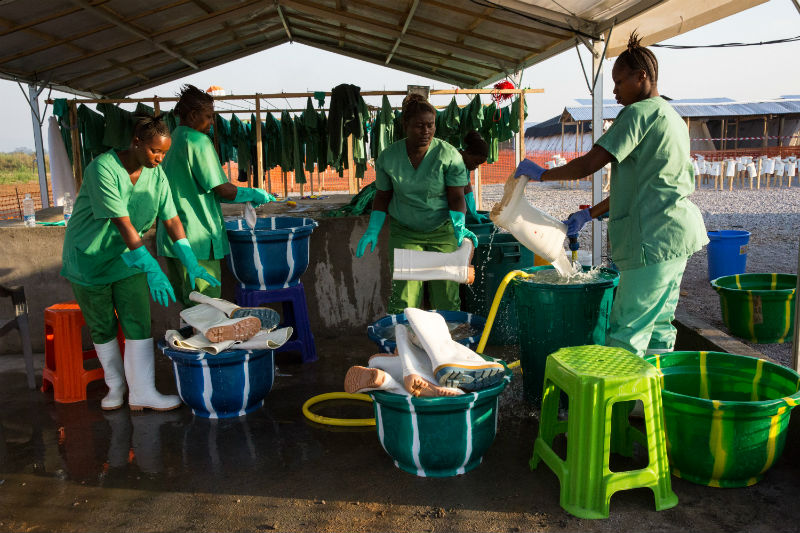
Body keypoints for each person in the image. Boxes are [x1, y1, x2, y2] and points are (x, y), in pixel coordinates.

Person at [513, 32, 708, 357]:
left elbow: (589, 164)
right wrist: (589, 214)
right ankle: (651, 404)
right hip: (677, 236)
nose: (615, 90)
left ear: (641, 76)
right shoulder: (671, 115)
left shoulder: (638, 113)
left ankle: (617, 407)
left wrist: (542, 173)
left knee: (627, 330)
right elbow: (643, 187)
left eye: (619, 82)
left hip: (652, 240)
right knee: (659, 327)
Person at [61, 114, 219, 411]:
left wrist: (191, 261)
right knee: (103, 325)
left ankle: (142, 392)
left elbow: (171, 219)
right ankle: (116, 387)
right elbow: (123, 224)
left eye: (163, 153)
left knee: (138, 322)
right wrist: (152, 268)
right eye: (154, 151)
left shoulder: (156, 176)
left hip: (128, 259)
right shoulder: (103, 169)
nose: (160, 158)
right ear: (136, 142)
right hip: (89, 259)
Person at [156, 84, 276, 307]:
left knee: (188, 304)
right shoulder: (198, 141)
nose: (212, 123)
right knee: (207, 307)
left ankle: (186, 339)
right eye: (209, 116)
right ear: (193, 116)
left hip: (173, 238)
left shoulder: (172, 140)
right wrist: (253, 193)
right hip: (197, 238)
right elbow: (222, 189)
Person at [356, 93, 477, 314]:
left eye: (430, 125)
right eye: (419, 126)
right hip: (406, 232)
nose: (426, 132)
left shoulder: (448, 155)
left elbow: (457, 196)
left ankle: (446, 345)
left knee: (446, 295)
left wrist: (459, 225)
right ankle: (402, 344)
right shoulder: (389, 157)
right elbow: (382, 196)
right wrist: (373, 229)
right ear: (405, 125)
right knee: (405, 297)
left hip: (442, 231)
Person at [459, 130, 490, 224]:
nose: (476, 167)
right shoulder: (455, 161)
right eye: (476, 162)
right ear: (468, 152)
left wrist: (473, 212)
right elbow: (457, 193)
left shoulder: (465, 165)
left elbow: (467, 187)